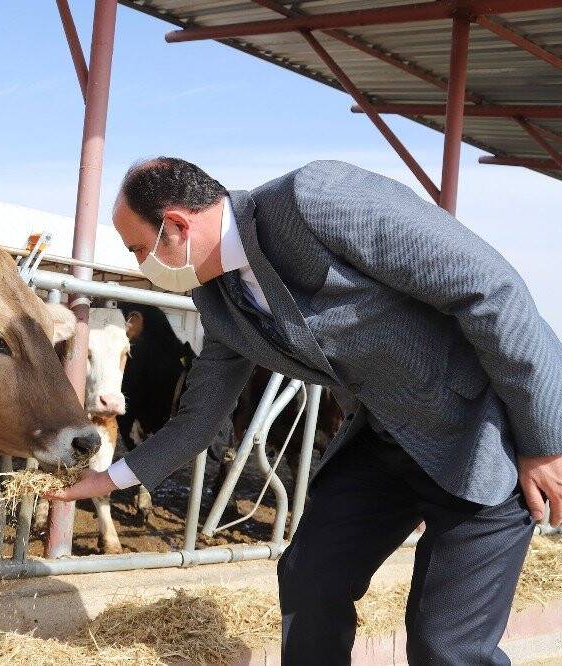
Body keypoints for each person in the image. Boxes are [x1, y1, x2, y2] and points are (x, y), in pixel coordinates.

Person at [46, 157, 562, 665]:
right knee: (310, 577)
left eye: (140, 249)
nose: (142, 265)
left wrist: (544, 442)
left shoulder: (314, 201)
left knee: (446, 647)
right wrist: (111, 479)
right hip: (386, 439)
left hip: (487, 434)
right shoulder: (219, 299)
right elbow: (200, 417)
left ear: (177, 226)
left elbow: (491, 290)